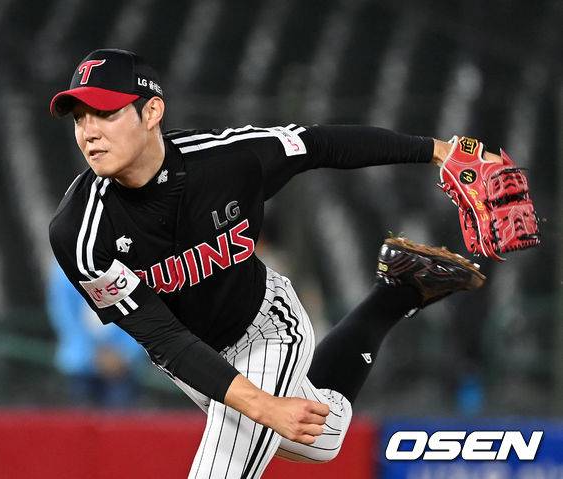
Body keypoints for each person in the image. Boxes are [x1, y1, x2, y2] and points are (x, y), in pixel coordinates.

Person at [48, 49, 488, 478]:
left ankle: (392, 294)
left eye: (105, 113)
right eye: (80, 118)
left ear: (151, 112)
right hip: (192, 357)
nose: (89, 132)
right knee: (326, 435)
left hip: (265, 327)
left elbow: (319, 144)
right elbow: (164, 339)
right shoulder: (79, 231)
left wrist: (439, 151)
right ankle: (397, 291)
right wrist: (264, 405)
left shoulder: (226, 161)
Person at [46, 260, 146, 409]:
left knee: (122, 417)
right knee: (83, 417)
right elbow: (65, 318)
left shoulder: (129, 265)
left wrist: (126, 353)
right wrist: (92, 353)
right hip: (81, 366)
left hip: (122, 367)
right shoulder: (65, 269)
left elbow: (141, 313)